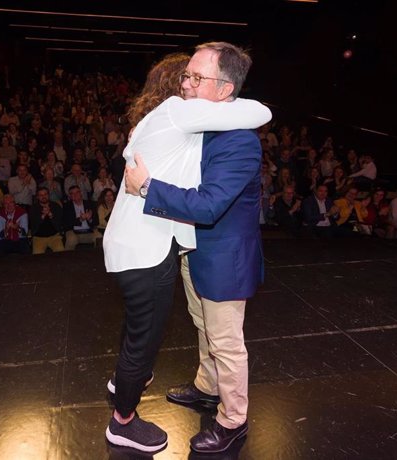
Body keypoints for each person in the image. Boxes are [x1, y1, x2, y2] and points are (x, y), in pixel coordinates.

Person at [106, 45, 271, 453]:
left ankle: (233, 420)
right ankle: (206, 387)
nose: (186, 83)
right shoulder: (199, 122)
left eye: (197, 78)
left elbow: (210, 204)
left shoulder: (239, 142)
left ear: (225, 89)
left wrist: (146, 186)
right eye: (186, 76)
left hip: (222, 258)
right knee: (203, 326)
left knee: (226, 341)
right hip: (192, 248)